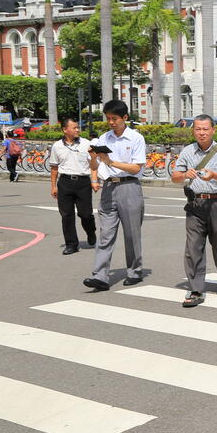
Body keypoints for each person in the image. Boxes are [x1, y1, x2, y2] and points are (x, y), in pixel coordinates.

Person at [171, 114, 217, 307]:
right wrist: (185, 174)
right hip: (195, 204)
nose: (201, 133)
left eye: (205, 129)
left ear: (212, 130)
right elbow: (175, 177)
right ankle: (196, 289)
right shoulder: (187, 151)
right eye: (198, 129)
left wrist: (215, 175)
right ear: (193, 131)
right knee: (193, 247)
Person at [83, 100, 146, 291]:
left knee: (131, 233)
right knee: (106, 234)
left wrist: (110, 161)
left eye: (115, 118)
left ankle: (135, 271)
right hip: (109, 187)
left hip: (129, 186)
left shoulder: (135, 138)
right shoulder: (103, 138)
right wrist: (93, 157)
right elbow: (94, 166)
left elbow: (136, 168)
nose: (111, 122)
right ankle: (100, 276)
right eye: (108, 118)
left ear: (125, 118)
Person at [48, 115, 98, 255]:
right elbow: (54, 168)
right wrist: (53, 186)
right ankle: (71, 244)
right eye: (74, 127)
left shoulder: (86, 144)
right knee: (66, 215)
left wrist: (94, 180)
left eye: (78, 127)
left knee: (85, 214)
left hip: (83, 183)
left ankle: (91, 231)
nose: (77, 130)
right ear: (65, 129)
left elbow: (93, 165)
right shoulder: (57, 146)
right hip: (65, 182)